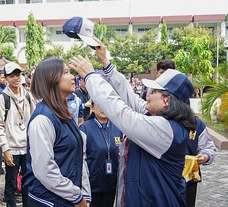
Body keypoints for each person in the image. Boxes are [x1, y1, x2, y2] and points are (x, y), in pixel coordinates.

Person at [68, 40, 197, 206]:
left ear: (166, 101)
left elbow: (121, 112)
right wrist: (106, 62)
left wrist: (91, 76)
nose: (147, 94)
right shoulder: (159, 117)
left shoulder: (165, 129)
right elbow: (130, 97)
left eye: (153, 91)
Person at [22, 57, 91, 207]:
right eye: (66, 72)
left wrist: (84, 194)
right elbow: (44, 169)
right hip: (48, 201)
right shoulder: (42, 119)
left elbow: (79, 157)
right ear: (51, 79)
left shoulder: (63, 113)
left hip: (67, 198)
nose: (73, 77)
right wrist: (77, 197)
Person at [148, 59, 216, 207]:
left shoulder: (196, 123)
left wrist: (205, 156)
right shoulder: (157, 120)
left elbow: (209, 148)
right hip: (162, 179)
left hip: (189, 177)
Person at [0, 62, 35, 207]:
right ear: (5, 78)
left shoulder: (28, 96)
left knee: (28, 182)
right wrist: (5, 149)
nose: (16, 78)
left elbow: (35, 120)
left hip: (28, 147)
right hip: (12, 147)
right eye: (11, 76)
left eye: (18, 75)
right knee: (11, 184)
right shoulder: (2, 99)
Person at [79, 100, 122, 207]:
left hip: (112, 184)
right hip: (92, 185)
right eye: (99, 104)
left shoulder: (118, 127)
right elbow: (81, 158)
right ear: (92, 107)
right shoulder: (85, 128)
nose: (103, 108)